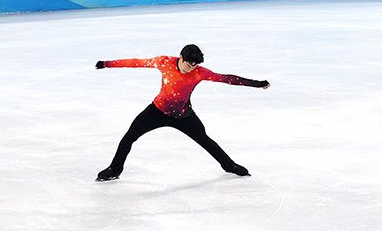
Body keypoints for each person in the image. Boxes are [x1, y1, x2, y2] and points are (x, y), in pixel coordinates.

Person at [94, 46, 269, 182]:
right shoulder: (164, 62)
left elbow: (228, 79)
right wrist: (106, 64)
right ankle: (114, 170)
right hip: (157, 111)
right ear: (181, 57)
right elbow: (136, 62)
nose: (190, 68)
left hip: (184, 115)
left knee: (205, 140)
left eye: (194, 65)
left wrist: (258, 84)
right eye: (188, 64)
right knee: (129, 137)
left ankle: (229, 165)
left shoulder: (200, 73)